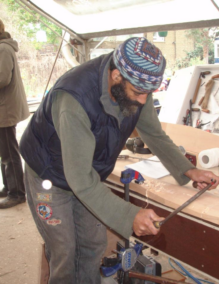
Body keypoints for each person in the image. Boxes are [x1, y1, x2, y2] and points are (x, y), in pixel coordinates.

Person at [19, 37, 219, 284]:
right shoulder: (74, 99)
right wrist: (129, 214)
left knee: (93, 243)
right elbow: (79, 179)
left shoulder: (136, 84)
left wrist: (188, 170)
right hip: (48, 174)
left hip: (85, 172)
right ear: (116, 76)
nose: (144, 101)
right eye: (138, 93)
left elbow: (154, 133)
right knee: (64, 251)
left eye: (148, 93)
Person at [0, 19, 29, 209]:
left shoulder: (3, 49)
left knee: (10, 152)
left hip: (5, 108)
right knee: (4, 151)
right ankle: (9, 185)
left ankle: (17, 192)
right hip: (3, 106)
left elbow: (2, 79)